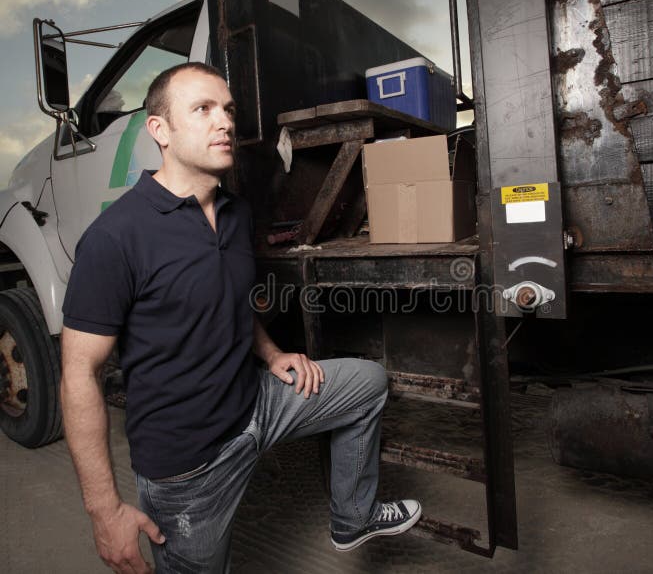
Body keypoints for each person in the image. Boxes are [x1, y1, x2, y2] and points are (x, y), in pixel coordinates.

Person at [60, 62, 421, 574]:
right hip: (190, 465)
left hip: (257, 404)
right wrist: (104, 511)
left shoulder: (235, 212)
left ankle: (352, 518)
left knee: (367, 383)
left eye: (227, 109)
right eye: (203, 109)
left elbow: (228, 299)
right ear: (159, 130)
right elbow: (78, 375)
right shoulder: (114, 238)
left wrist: (273, 354)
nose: (224, 122)